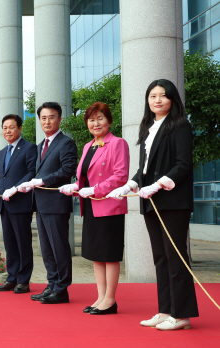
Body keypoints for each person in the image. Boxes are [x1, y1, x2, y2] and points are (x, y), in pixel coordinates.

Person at [107, 79, 198, 330]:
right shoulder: (148, 127)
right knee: (160, 257)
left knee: (175, 257)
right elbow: (144, 170)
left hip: (172, 202)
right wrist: (129, 185)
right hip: (151, 202)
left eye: (163, 95)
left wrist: (159, 184)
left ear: (172, 99)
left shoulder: (180, 125)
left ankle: (182, 315)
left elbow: (183, 165)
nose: (157, 100)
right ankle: (165, 310)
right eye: (152, 96)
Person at [58, 102, 129, 315]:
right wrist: (76, 187)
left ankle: (110, 300)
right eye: (91, 119)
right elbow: (84, 176)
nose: (95, 123)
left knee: (109, 254)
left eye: (100, 118)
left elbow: (120, 176)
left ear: (109, 120)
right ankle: (100, 297)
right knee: (96, 254)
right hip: (90, 206)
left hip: (109, 206)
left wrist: (95, 189)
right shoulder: (89, 146)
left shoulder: (118, 143)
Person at [18, 101, 77, 304]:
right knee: (46, 248)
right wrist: (29, 184)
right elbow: (37, 172)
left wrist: (42, 180)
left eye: (51, 117)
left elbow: (68, 169)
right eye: (43, 118)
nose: (47, 121)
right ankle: (52, 284)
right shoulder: (40, 145)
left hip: (57, 203)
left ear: (59, 119)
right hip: (41, 203)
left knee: (59, 246)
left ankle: (62, 289)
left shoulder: (66, 143)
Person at [0, 114, 37, 294]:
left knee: (22, 242)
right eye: (5, 128)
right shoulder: (2, 152)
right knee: (9, 243)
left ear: (19, 128)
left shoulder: (29, 148)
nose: (7, 131)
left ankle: (23, 280)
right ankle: (12, 277)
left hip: (20, 202)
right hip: (4, 204)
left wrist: (15, 188)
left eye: (11, 127)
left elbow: (31, 172)